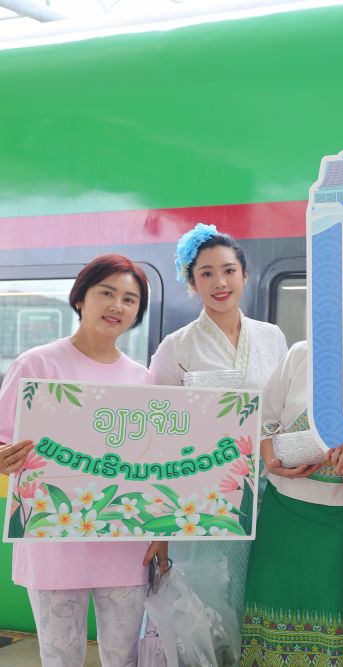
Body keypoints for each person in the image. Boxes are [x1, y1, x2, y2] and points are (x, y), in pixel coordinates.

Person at [0, 254, 169, 666]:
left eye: (129, 299)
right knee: (60, 657)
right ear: (80, 298)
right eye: (106, 293)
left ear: (137, 312)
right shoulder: (37, 365)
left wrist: (162, 532)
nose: (117, 306)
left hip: (125, 543)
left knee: (123, 657)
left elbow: (153, 467)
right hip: (53, 541)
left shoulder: (142, 378)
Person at [240, 253, 343, 665]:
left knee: (333, 637)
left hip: (338, 525)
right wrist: (271, 457)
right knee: (270, 632)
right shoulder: (302, 355)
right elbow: (264, 417)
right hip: (281, 516)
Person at [149, 223, 288, 619]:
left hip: (269, 492)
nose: (220, 282)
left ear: (245, 275)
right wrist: (159, 527)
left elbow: (280, 412)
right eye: (206, 273)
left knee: (259, 598)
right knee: (206, 605)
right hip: (201, 494)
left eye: (228, 270)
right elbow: (158, 436)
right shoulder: (176, 347)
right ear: (192, 283)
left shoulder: (272, 338)